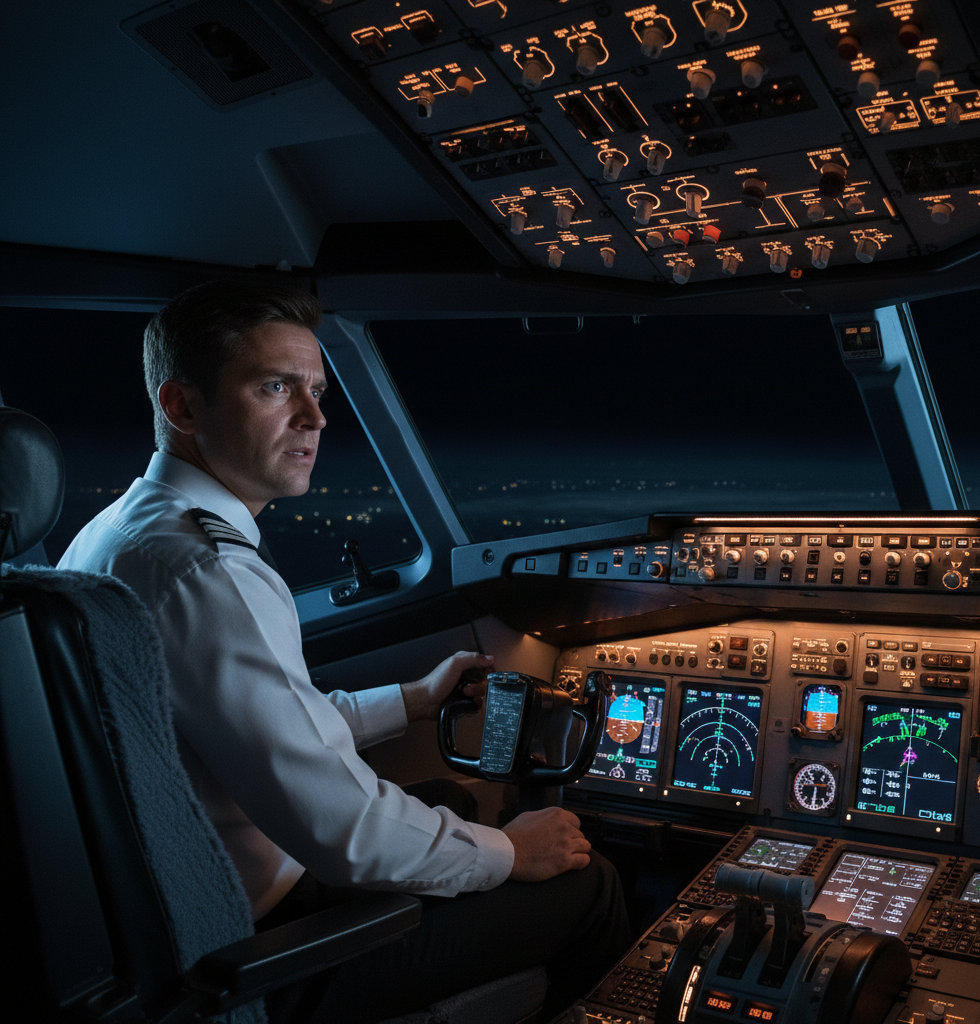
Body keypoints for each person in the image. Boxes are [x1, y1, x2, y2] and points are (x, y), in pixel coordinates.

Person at [58, 279, 630, 1020]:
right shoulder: (208, 570)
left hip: (176, 899)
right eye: (275, 387)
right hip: (242, 948)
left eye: (318, 390)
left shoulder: (119, 532)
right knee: (588, 886)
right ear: (183, 406)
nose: (316, 416)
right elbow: (346, 835)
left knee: (452, 801)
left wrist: (415, 701)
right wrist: (514, 855)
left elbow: (248, 728)